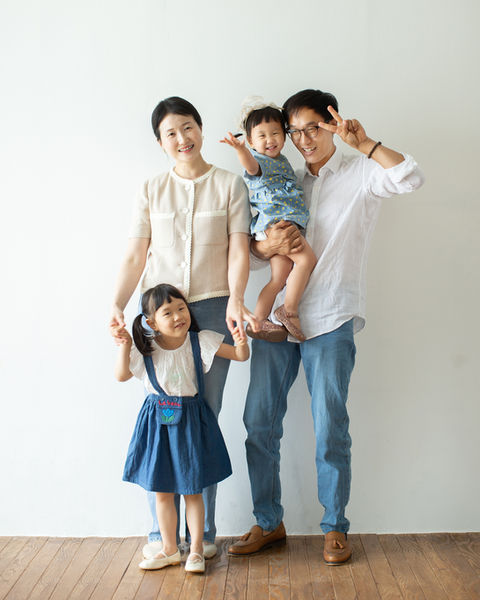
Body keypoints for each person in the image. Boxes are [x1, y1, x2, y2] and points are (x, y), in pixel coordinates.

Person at [228, 89, 425, 564]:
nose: (303, 139)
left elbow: (411, 177)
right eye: (294, 131)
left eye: (312, 128)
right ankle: (268, 522)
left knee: (330, 424)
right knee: (259, 422)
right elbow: (256, 255)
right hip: (278, 320)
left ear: (331, 124)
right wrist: (264, 245)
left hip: (331, 316)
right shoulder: (284, 178)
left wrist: (367, 144)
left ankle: (335, 526)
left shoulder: (361, 174)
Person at [110, 96, 257, 561]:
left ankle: (202, 537)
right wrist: (116, 303)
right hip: (158, 313)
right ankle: (162, 538)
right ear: (161, 142)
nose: (182, 138)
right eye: (171, 133)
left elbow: (239, 249)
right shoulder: (151, 189)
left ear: (200, 128)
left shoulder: (229, 184)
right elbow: (136, 255)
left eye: (188, 127)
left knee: (204, 418)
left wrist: (236, 299)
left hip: (213, 308)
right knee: (164, 415)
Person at [113, 284, 249, 572]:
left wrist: (241, 341)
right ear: (151, 323)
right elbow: (122, 375)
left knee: (193, 490)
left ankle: (197, 550)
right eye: (168, 312)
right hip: (157, 425)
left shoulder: (201, 341)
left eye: (181, 308)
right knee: (162, 491)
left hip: (190, 424)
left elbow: (240, 356)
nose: (178, 316)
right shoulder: (145, 349)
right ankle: (170, 549)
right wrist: (124, 346)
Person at [221, 97, 317, 342]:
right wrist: (241, 150)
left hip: (274, 225)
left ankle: (259, 320)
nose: (270, 140)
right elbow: (251, 167)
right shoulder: (259, 161)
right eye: (261, 136)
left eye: (275, 133)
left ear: (284, 136)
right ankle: (289, 311)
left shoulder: (282, 162)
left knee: (278, 278)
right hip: (279, 224)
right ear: (251, 141)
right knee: (306, 260)